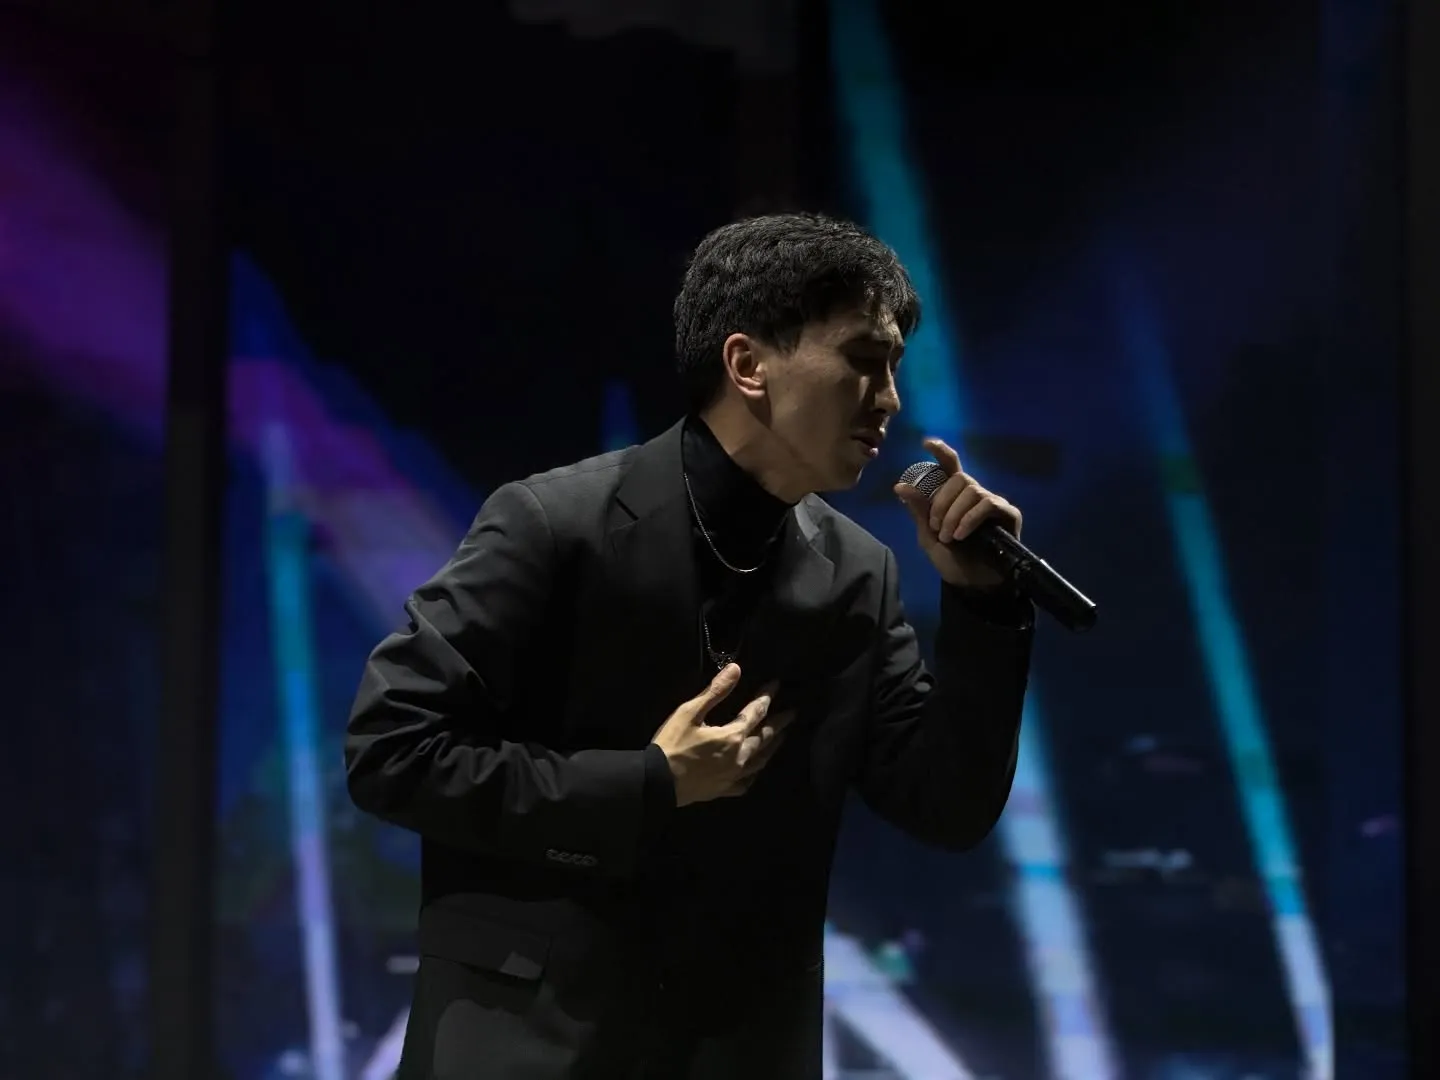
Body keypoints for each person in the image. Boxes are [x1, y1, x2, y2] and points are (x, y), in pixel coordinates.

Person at [345, 212, 1033, 1079]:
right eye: (864, 359)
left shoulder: (859, 573)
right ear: (748, 364)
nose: (890, 398)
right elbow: (393, 751)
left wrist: (982, 606)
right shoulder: (556, 523)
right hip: (534, 1046)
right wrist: (649, 785)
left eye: (894, 367)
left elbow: (947, 806)